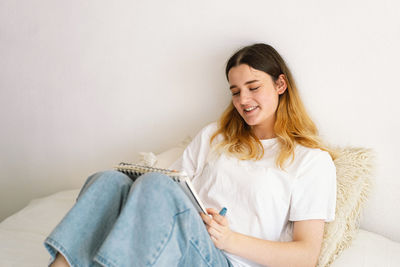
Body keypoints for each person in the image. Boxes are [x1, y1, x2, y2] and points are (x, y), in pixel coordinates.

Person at [45, 43, 337, 267]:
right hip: (180, 238)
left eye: (253, 87)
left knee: (154, 187)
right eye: (235, 91)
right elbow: (170, 188)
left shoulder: (310, 160)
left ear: (280, 85)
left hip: (226, 259)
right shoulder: (215, 135)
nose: (243, 100)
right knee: (108, 181)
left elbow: (306, 255)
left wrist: (228, 238)